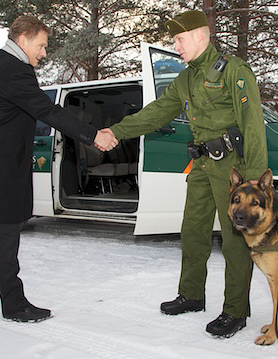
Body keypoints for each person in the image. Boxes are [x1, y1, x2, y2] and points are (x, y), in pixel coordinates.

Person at [0, 15, 118, 322]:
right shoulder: (13, 69)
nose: (44, 53)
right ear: (23, 40)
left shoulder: (0, 65)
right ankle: (14, 304)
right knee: (4, 232)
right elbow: (46, 109)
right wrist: (94, 135)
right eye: (42, 45)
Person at [107, 10, 267, 338]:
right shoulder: (186, 78)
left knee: (236, 238)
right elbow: (156, 113)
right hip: (202, 165)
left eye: (179, 39)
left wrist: (252, 179)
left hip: (232, 170)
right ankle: (192, 295)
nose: (176, 46)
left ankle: (235, 310)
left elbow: (253, 123)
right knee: (192, 231)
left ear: (199, 35)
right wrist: (116, 131)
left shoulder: (233, 70)